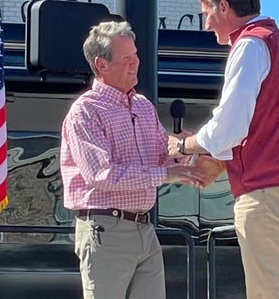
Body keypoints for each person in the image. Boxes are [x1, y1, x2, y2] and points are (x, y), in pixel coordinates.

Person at [167, 0, 279, 298]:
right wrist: (214, 156)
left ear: (224, 7)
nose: (205, 23)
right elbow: (262, 127)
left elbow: (230, 126)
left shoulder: (250, 44)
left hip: (268, 193)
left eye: (206, 12)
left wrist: (183, 146)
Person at [60, 20, 207, 299]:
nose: (136, 62)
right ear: (101, 65)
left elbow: (162, 158)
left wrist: (185, 151)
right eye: (126, 58)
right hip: (105, 230)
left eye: (136, 55)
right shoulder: (85, 111)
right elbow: (101, 175)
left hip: (145, 228)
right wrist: (166, 174)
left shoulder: (142, 105)